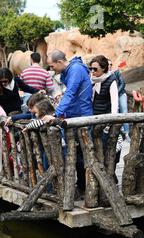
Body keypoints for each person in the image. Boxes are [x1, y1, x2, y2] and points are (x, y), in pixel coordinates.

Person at [44, 50, 93, 195]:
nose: (51, 69)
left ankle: (85, 188)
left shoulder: (76, 69)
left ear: (60, 62)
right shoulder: (69, 71)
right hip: (72, 115)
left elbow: (71, 93)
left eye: (52, 66)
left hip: (81, 116)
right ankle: (79, 186)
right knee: (74, 153)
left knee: (83, 155)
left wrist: (56, 114)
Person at [109, 59, 129, 137]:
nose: (110, 66)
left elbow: (122, 83)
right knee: (115, 111)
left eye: (111, 64)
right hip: (111, 96)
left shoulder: (116, 73)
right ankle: (118, 132)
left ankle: (126, 132)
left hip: (120, 94)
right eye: (108, 64)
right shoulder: (105, 75)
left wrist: (116, 93)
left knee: (124, 111)